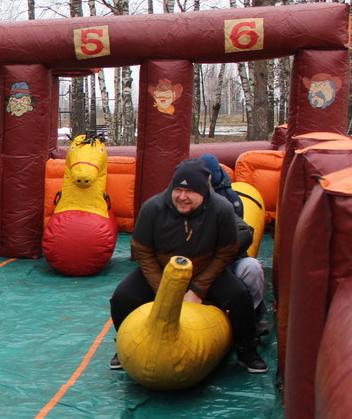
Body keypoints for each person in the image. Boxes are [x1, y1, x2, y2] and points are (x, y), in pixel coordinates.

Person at [109, 157, 267, 374]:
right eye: (178, 190)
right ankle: (124, 345)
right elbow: (142, 252)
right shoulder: (153, 208)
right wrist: (165, 290)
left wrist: (197, 289)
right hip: (162, 269)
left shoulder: (221, 209)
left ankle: (246, 349)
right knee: (122, 297)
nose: (182, 197)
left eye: (190, 191)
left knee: (239, 297)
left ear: (204, 192)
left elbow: (225, 253)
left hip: (204, 268)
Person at [200, 154, 267, 326]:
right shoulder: (187, 197)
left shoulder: (230, 200)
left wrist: (218, 251)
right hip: (199, 262)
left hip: (228, 258)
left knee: (253, 268)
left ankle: (253, 314)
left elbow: (241, 233)